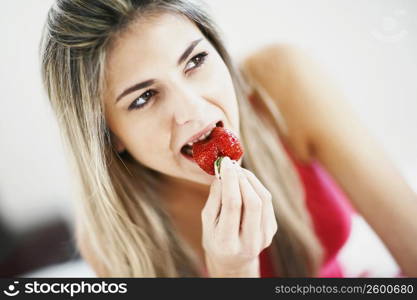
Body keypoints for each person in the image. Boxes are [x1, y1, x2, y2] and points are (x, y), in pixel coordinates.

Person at [40, 0, 417, 277]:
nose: (194, 110)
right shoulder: (115, 240)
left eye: (196, 61)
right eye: (144, 97)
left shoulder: (282, 84)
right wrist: (232, 271)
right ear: (109, 135)